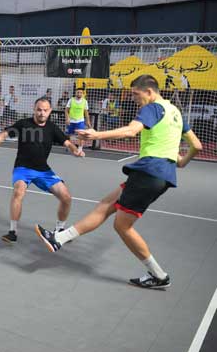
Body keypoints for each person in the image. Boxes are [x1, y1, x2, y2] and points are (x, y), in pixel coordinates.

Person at [35, 75, 203, 289]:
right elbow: (196, 145)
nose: (133, 98)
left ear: (149, 91)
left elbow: (131, 131)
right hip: (160, 174)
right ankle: (59, 239)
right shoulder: (175, 112)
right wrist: (180, 162)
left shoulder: (152, 108)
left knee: (122, 226)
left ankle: (159, 275)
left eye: (135, 94)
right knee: (106, 205)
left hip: (148, 173)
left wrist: (97, 135)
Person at [0, 96, 84, 243]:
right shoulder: (23, 124)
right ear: (34, 110)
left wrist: (75, 150)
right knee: (18, 191)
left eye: (45, 110)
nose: (42, 113)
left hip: (43, 171)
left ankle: (60, 230)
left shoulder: (52, 128)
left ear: (50, 111)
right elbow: (4, 135)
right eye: (39, 110)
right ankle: (12, 232)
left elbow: (67, 142)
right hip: (23, 168)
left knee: (66, 197)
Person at [65, 87, 91, 153]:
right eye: (78, 92)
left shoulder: (85, 101)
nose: (79, 94)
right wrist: (67, 119)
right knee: (69, 135)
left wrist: (88, 121)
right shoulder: (71, 100)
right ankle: (69, 146)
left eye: (81, 93)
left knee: (81, 135)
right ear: (75, 93)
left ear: (83, 94)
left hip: (80, 121)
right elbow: (66, 110)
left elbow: (86, 112)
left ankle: (80, 148)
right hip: (71, 120)